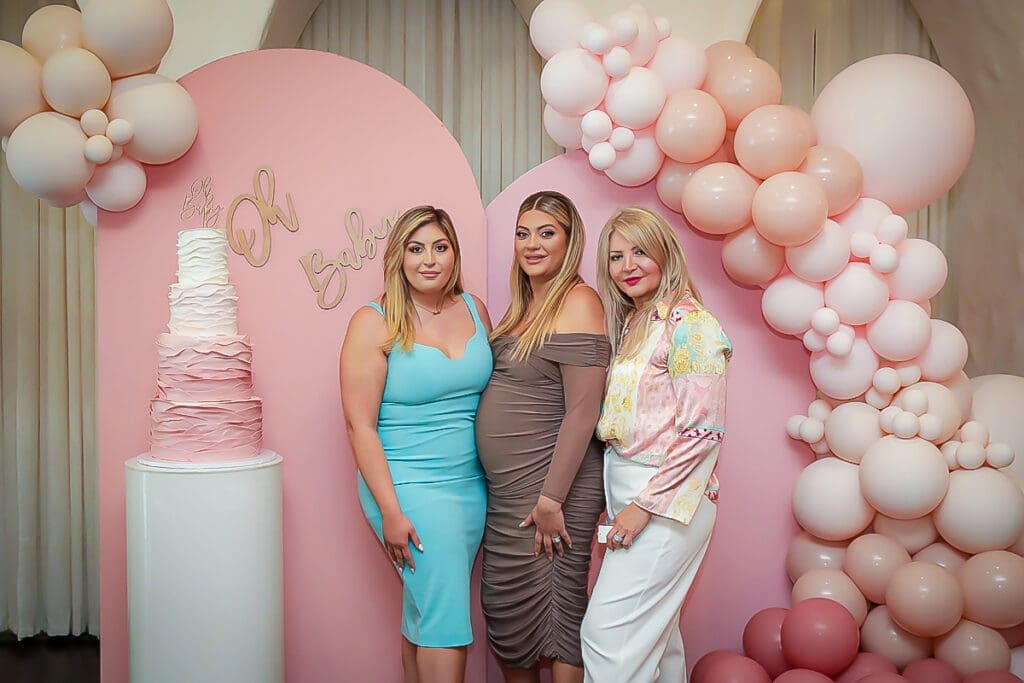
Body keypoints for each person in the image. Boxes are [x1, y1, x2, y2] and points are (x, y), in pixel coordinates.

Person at [340, 206, 492, 683]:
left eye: (440, 247)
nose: (429, 259)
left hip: (470, 488)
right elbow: (359, 425)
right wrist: (390, 511)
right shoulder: (374, 321)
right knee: (446, 624)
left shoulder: (474, 308)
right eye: (416, 248)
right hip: (407, 486)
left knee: (425, 611)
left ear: (454, 255)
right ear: (399, 257)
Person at [581, 206, 732, 682]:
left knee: (608, 639)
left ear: (666, 253)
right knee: (658, 644)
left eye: (640, 251)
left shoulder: (692, 325)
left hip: (667, 503)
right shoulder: (635, 322)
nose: (627, 266)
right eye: (615, 256)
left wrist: (644, 506)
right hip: (635, 493)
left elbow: (703, 432)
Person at [476, 190, 609, 683]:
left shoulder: (577, 301)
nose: (532, 244)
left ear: (570, 242)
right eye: (522, 233)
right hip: (511, 490)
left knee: (559, 613)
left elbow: (582, 411)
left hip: (554, 487)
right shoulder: (526, 303)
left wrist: (552, 497)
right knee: (509, 617)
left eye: (546, 233)